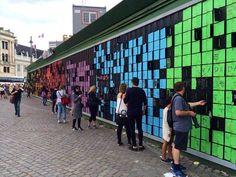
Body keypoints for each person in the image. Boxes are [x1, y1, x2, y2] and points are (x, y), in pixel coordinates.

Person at [171, 82, 206, 177]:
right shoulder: (178, 98)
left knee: (176, 145)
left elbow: (187, 104)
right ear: (182, 88)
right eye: (184, 87)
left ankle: (175, 164)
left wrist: (198, 103)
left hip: (180, 126)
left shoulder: (178, 97)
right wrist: (190, 113)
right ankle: (176, 169)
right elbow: (178, 112)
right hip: (181, 127)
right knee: (178, 147)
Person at [124, 77, 147, 151]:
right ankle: (140, 145)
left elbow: (125, 101)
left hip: (130, 112)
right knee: (140, 128)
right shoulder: (142, 91)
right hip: (139, 112)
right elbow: (145, 103)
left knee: (132, 128)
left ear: (132, 82)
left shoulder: (129, 90)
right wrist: (143, 111)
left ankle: (134, 145)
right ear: (138, 82)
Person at [161, 96, 173, 163]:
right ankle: (163, 157)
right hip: (167, 128)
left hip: (167, 127)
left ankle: (170, 156)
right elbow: (169, 121)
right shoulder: (167, 110)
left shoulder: (166, 109)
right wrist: (170, 130)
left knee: (169, 143)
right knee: (165, 142)